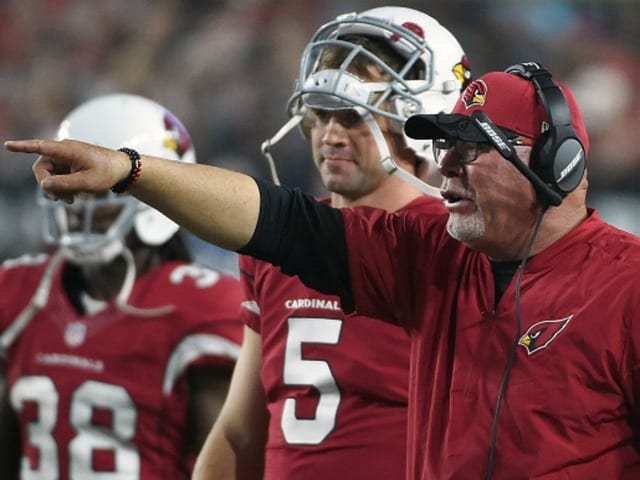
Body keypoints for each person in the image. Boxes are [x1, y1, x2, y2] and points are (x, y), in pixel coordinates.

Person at [6, 63, 640, 479]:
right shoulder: (432, 254)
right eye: (446, 145)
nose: (447, 165)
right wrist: (130, 171)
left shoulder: (626, 286)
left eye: (473, 149)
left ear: (556, 164)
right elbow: (280, 221)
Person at [191, 6, 471, 480]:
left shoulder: (452, 245)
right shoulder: (280, 245)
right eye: (320, 113)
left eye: (353, 116)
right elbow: (241, 431)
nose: (330, 135)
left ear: (420, 123)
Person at [0, 94, 244, 479]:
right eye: (71, 181)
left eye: (97, 186)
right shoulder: (21, 292)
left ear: (156, 194)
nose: (79, 205)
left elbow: (231, 462)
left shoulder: (197, 307)